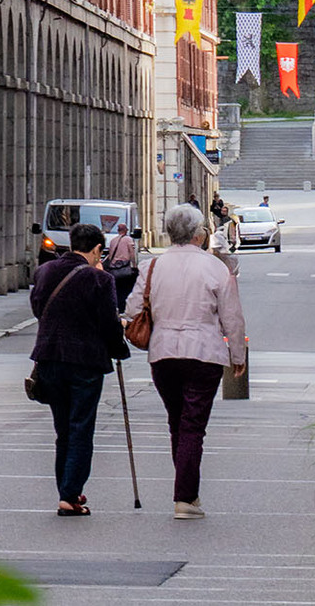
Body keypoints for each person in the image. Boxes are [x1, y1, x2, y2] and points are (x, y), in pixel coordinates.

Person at [123, 204, 247, 519]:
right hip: (203, 353)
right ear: (197, 234)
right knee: (193, 426)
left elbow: (132, 309)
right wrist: (237, 354)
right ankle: (185, 497)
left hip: (163, 354)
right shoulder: (216, 267)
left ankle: (187, 492)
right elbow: (231, 315)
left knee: (177, 422)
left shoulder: (152, 266)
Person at [29, 222, 130, 516]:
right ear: (98, 249)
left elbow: (38, 309)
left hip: (48, 359)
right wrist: (119, 349)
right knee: (81, 428)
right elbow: (108, 324)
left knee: (63, 430)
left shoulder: (44, 271)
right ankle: (70, 493)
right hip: (85, 363)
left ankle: (67, 490)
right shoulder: (101, 281)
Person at [102, 223, 138, 311]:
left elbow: (110, 256)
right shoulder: (129, 240)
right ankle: (123, 308)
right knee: (125, 290)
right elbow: (132, 254)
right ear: (126, 230)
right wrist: (134, 266)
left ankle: (116, 307)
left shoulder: (113, 240)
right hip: (124, 269)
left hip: (114, 269)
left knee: (117, 290)